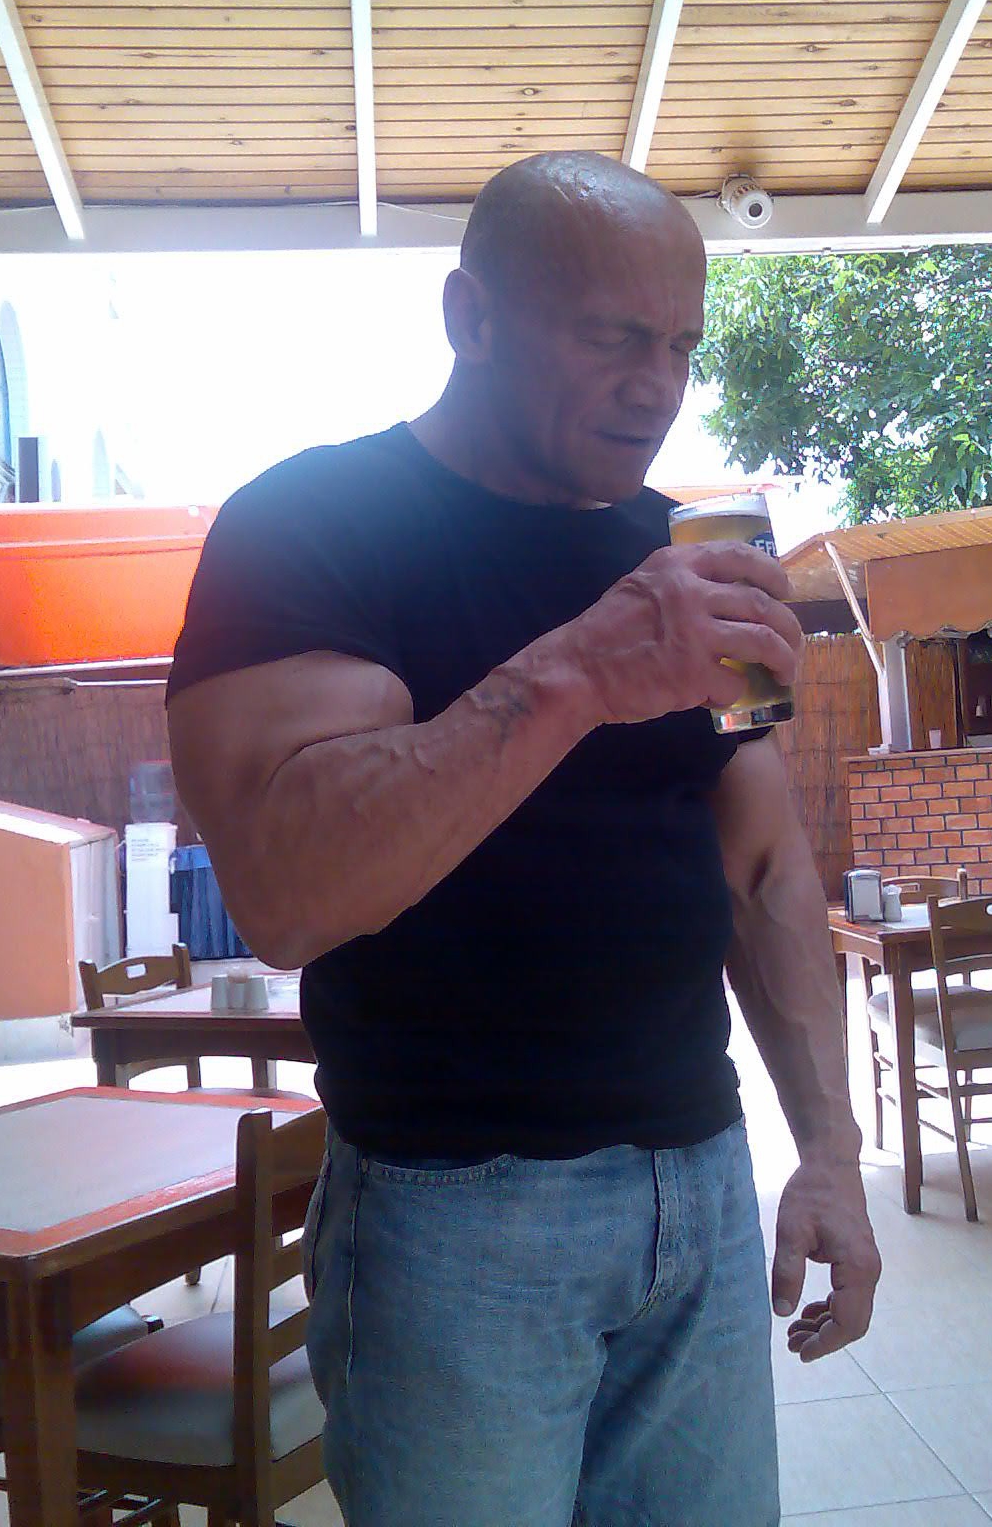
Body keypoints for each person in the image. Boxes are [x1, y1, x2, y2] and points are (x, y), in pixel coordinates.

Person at [166, 151, 881, 1527]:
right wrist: (577, 674)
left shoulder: (678, 551)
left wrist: (832, 1156)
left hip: (701, 1178)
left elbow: (764, 868)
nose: (656, 385)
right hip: (451, 1209)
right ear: (471, 318)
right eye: (612, 336)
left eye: (679, 345)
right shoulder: (311, 525)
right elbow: (287, 894)